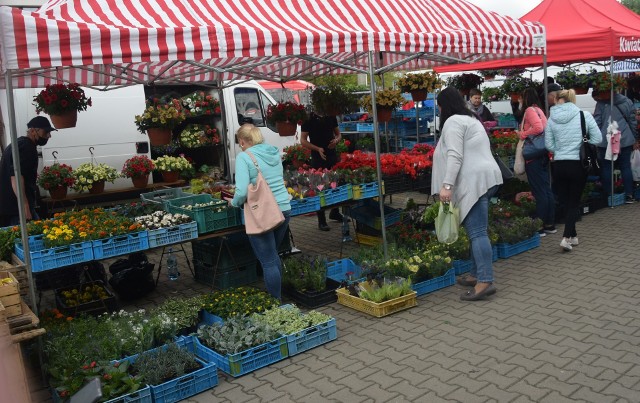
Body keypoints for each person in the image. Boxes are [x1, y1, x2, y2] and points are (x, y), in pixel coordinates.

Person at [432, 87, 503, 301]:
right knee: (478, 230)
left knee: (477, 232)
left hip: (474, 182)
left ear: (444, 105)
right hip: (486, 178)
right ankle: (476, 274)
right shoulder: (471, 119)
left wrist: (446, 185)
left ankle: (485, 281)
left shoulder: (453, 122)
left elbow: (455, 155)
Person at [230, 124, 291, 300]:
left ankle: (276, 303)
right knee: (273, 255)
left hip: (263, 213)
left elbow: (241, 192)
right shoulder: (273, 151)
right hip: (283, 209)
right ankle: (278, 298)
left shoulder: (244, 157)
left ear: (242, 141)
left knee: (269, 261)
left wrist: (234, 203)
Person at [545, 90, 602, 251]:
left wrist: (561, 149)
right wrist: (583, 143)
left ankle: (573, 236)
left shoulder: (551, 119)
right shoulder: (584, 115)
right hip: (578, 164)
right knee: (574, 202)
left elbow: (549, 145)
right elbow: (598, 138)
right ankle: (566, 237)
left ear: (557, 100)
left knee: (565, 200)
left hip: (559, 165)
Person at [0, 116, 57, 227]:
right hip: (16, 210)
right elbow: (16, 176)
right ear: (32, 131)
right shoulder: (27, 147)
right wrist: (25, 206)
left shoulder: (18, 144)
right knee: (33, 236)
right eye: (46, 132)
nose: (49, 136)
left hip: (10, 208)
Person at [517, 87, 556, 236]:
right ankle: (550, 223)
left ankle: (540, 226)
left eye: (521, 98)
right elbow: (545, 128)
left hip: (533, 156)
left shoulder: (529, 111)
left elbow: (539, 128)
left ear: (525, 98)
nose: (519, 101)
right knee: (546, 189)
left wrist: (522, 134)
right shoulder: (539, 110)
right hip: (542, 153)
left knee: (539, 191)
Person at [592, 89, 638, 204]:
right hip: (624, 138)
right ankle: (629, 195)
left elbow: (597, 122)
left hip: (606, 139)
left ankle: (608, 195)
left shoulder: (601, 104)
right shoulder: (627, 101)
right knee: (625, 167)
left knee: (607, 168)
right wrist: (634, 138)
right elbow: (632, 121)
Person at [301, 111, 344, 231]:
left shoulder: (331, 115)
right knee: (320, 187)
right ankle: (321, 220)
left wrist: (336, 141)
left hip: (331, 155)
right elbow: (303, 140)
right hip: (317, 157)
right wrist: (317, 149)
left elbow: (339, 134)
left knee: (335, 184)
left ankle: (335, 212)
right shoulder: (308, 118)